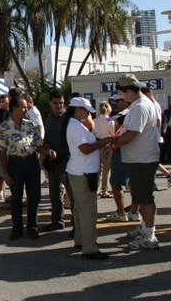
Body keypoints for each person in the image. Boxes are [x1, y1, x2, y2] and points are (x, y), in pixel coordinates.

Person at [0, 96, 56, 240]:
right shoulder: (4, 127)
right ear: (14, 108)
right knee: (16, 197)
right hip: (15, 164)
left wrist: (47, 151)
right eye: (23, 107)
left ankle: (32, 226)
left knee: (34, 196)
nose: (26, 109)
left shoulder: (30, 125)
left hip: (31, 163)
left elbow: (38, 145)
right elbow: (2, 153)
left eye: (26, 107)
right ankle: (17, 228)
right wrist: (5, 173)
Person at [112, 74, 160, 250]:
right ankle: (146, 228)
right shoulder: (140, 104)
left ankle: (150, 236)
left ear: (129, 91)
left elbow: (132, 133)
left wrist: (115, 143)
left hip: (143, 158)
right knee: (140, 195)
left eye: (121, 92)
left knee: (145, 197)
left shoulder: (140, 106)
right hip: (139, 157)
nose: (120, 96)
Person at [64, 97, 112, 260]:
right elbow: (85, 149)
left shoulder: (76, 125)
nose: (87, 113)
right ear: (78, 109)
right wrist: (104, 142)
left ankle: (80, 240)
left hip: (80, 171)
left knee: (79, 208)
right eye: (85, 110)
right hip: (83, 172)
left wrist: (100, 143)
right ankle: (90, 247)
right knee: (88, 211)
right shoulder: (76, 126)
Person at [41, 89, 71, 233]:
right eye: (55, 103)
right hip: (52, 160)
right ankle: (57, 220)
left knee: (71, 193)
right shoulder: (49, 118)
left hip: (65, 159)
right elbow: (47, 137)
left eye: (61, 103)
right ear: (50, 103)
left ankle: (77, 225)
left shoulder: (68, 118)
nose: (58, 106)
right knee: (54, 193)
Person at [92, 101, 115, 198]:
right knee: (106, 169)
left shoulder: (95, 121)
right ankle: (104, 189)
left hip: (97, 144)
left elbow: (93, 133)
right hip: (107, 145)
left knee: (98, 169)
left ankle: (96, 188)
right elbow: (113, 134)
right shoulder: (110, 121)